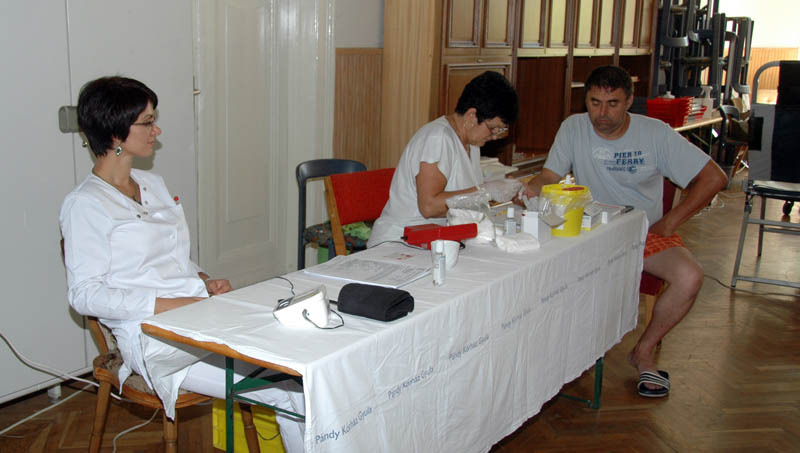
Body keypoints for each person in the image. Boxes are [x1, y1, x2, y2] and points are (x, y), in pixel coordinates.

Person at [60, 76, 305, 451]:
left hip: (197, 314)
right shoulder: (85, 205)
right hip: (153, 337)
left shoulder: (152, 184)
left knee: (296, 375)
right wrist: (173, 305)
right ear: (114, 133)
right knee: (285, 391)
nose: (156, 130)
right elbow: (85, 295)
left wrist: (203, 279)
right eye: (147, 122)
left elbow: (171, 256)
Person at [522, 65, 728, 397]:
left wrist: (670, 222)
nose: (602, 114)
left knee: (690, 277)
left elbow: (715, 178)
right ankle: (557, 358)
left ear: (629, 101)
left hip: (643, 233)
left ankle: (643, 351)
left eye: (612, 104)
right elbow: (549, 176)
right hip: (590, 232)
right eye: (594, 103)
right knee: (538, 268)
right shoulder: (573, 127)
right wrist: (531, 187)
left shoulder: (656, 133)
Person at [367, 71, 519, 247]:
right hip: (400, 241)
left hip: (438, 239)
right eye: (493, 129)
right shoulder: (438, 138)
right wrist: (485, 191)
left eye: (500, 131)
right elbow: (429, 206)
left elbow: (465, 194)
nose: (494, 136)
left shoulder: (472, 143)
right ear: (472, 116)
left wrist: (499, 189)